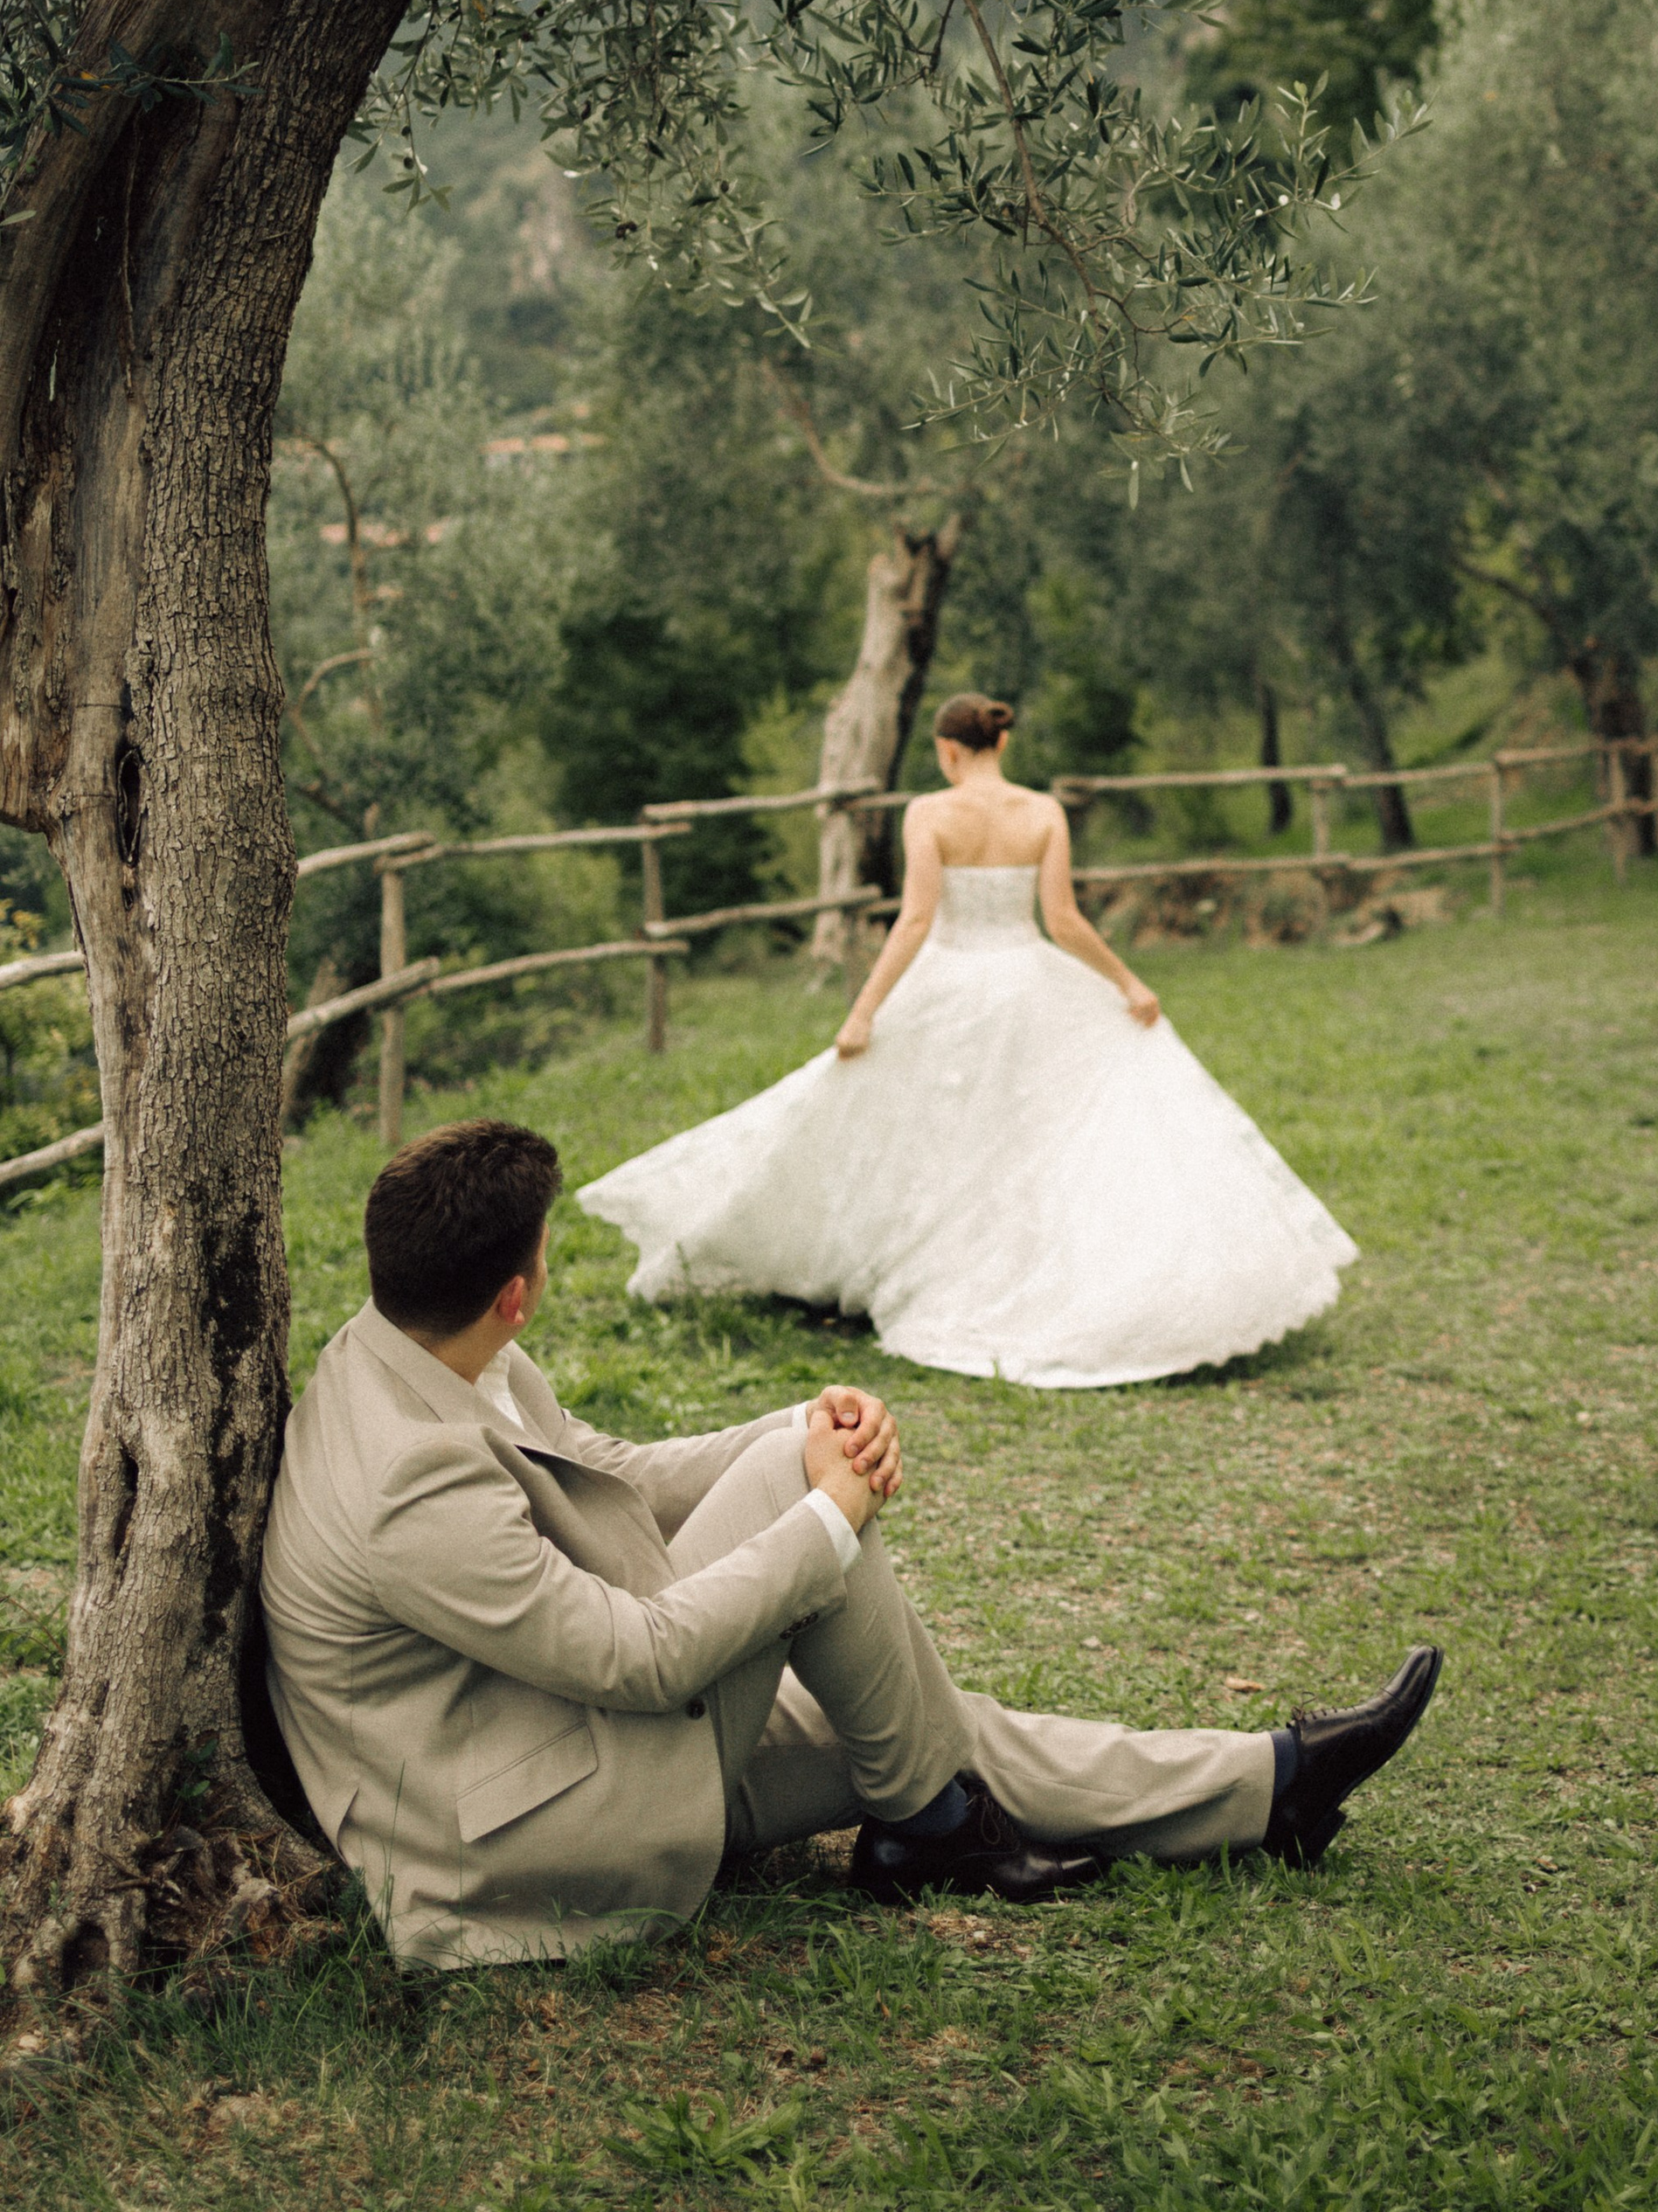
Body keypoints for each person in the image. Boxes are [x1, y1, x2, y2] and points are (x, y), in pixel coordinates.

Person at [260, 1120, 1442, 1969]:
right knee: (845, 1598)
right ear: (516, 1288)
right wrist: (828, 1513)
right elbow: (644, 1660)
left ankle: (1270, 1785)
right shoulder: (404, 1481)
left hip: (549, 1732)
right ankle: (931, 1826)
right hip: (526, 1830)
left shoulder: (420, 1346)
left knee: (917, 1718)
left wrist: (793, 1429)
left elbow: (610, 1475)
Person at [576, 693, 1358, 1385]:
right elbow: (1065, 921)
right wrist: (1128, 983)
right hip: (1027, 981)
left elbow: (916, 920)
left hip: (949, 986)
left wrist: (864, 1011)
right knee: (1028, 1136)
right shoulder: (1043, 811)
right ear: (1002, 743)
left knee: (911, 1129)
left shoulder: (931, 812)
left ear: (949, 750)